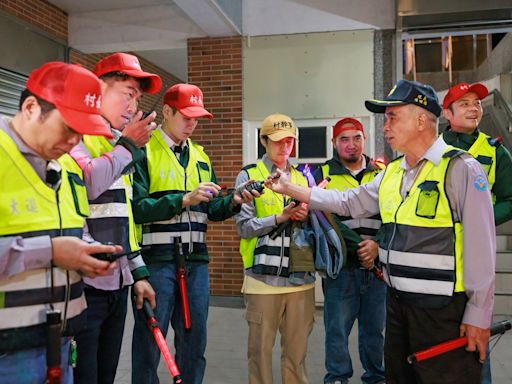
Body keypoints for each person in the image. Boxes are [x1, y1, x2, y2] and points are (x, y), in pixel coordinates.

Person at [265, 80, 496, 384]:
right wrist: (290, 187)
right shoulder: (393, 172)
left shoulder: (462, 169)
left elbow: (482, 247)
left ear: (422, 120)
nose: (385, 126)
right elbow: (347, 201)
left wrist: (479, 314)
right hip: (398, 305)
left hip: (443, 312)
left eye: (392, 117)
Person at [0, 62, 121, 383]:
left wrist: (87, 254)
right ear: (30, 108)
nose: (74, 141)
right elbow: (52, 246)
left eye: (81, 132)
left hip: (62, 345)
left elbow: (73, 231)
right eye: (68, 128)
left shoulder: (66, 167)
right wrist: (50, 252)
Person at [131, 83, 255, 384]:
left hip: (196, 264)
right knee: (150, 343)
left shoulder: (201, 156)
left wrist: (235, 201)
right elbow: (136, 208)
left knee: (194, 343)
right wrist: (183, 199)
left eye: (196, 117)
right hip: (158, 263)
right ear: (167, 111)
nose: (192, 124)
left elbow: (211, 210)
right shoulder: (143, 151)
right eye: (186, 116)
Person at [69, 52, 161, 384]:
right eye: (128, 93)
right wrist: (127, 147)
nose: (133, 105)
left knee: (105, 375)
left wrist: (137, 274)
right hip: (84, 286)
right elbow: (89, 184)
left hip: (117, 285)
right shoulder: (76, 136)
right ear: (99, 90)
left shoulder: (114, 142)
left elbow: (123, 222)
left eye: (137, 97)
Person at [235, 113, 315, 384]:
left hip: (300, 280)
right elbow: (244, 227)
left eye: (290, 141)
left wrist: (307, 217)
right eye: (278, 141)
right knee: (260, 354)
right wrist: (279, 218)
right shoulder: (249, 175)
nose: (285, 147)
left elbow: (317, 227)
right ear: (263, 141)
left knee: (297, 356)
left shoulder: (304, 178)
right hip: (262, 281)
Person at [441, 82, 512, 384]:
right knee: (439, 333)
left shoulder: (496, 151)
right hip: (439, 254)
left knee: (478, 327)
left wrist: (479, 220)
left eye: (478, 103)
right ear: (447, 112)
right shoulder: (433, 148)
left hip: (477, 255)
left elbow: (509, 200)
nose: (474, 108)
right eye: (465, 103)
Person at [314, 117, 386, 384]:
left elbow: (393, 216)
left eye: (357, 138)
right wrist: (359, 248)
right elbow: (322, 217)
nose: (351, 145)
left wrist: (376, 245)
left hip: (376, 269)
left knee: (374, 332)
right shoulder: (321, 175)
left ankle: (376, 378)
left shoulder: (382, 172)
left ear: (364, 140)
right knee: (336, 331)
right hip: (341, 269)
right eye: (344, 139)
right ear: (334, 143)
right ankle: (337, 378)